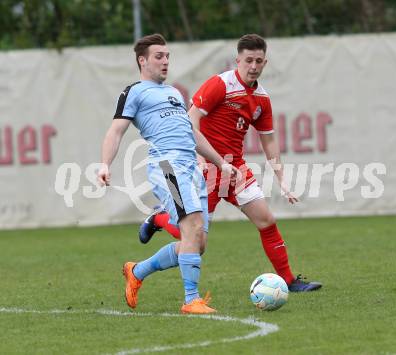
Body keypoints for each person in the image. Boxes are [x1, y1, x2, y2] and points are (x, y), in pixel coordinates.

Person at [140, 34, 322, 292]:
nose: (254, 66)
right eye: (248, 60)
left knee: (266, 220)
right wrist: (201, 157)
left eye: (259, 61)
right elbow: (190, 120)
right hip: (205, 171)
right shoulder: (220, 85)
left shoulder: (262, 99)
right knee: (196, 241)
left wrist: (282, 181)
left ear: (265, 63)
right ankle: (159, 219)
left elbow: (268, 141)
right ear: (238, 60)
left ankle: (289, 281)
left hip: (234, 168)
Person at [98, 33, 238, 314]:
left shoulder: (174, 93)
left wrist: (220, 162)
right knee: (192, 227)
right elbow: (116, 131)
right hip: (168, 167)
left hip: (192, 168)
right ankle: (191, 300)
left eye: (168, 56)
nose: (165, 62)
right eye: (159, 56)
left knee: (197, 244)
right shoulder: (134, 92)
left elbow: (191, 132)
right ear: (142, 60)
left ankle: (137, 271)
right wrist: (104, 164)